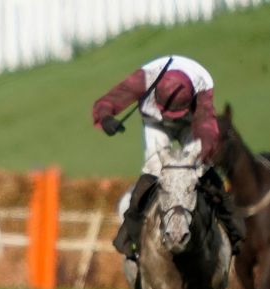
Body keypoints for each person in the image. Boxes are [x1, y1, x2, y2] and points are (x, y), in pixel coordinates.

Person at [93, 55, 243, 259]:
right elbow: (111, 99)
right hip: (155, 123)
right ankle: (129, 234)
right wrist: (106, 117)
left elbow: (207, 124)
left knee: (200, 168)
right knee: (154, 169)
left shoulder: (202, 82)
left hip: (191, 122)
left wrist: (206, 154)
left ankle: (233, 229)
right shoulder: (146, 76)